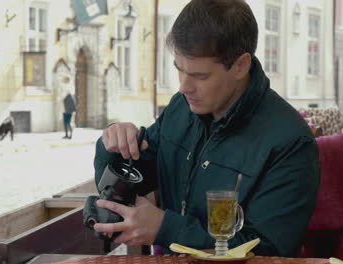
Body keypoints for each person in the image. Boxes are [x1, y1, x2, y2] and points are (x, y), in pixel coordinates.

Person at [92, 0, 319, 257]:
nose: (184, 87)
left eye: (200, 76)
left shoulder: (290, 142)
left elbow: (269, 249)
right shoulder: (181, 107)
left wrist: (165, 228)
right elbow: (135, 175)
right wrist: (113, 143)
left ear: (241, 65)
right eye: (180, 70)